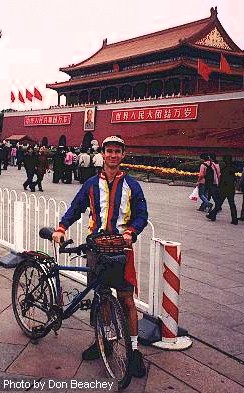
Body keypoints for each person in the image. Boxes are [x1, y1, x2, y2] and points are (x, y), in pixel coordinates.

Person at [52, 135, 148, 378]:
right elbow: (76, 207)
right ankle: (103, 342)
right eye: (109, 151)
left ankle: (134, 351)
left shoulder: (132, 185)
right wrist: (62, 228)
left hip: (121, 249)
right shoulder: (91, 184)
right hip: (96, 249)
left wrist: (131, 232)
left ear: (123, 155)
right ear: (102, 154)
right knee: (102, 297)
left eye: (117, 151)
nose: (113, 155)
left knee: (126, 300)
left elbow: (141, 215)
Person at [206, 155, 238, 224]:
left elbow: (223, 180)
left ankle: (212, 215)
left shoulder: (225, 169)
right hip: (231, 189)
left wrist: (219, 188)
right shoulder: (232, 168)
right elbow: (234, 179)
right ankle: (234, 219)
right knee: (232, 204)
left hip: (224, 189)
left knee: (219, 203)